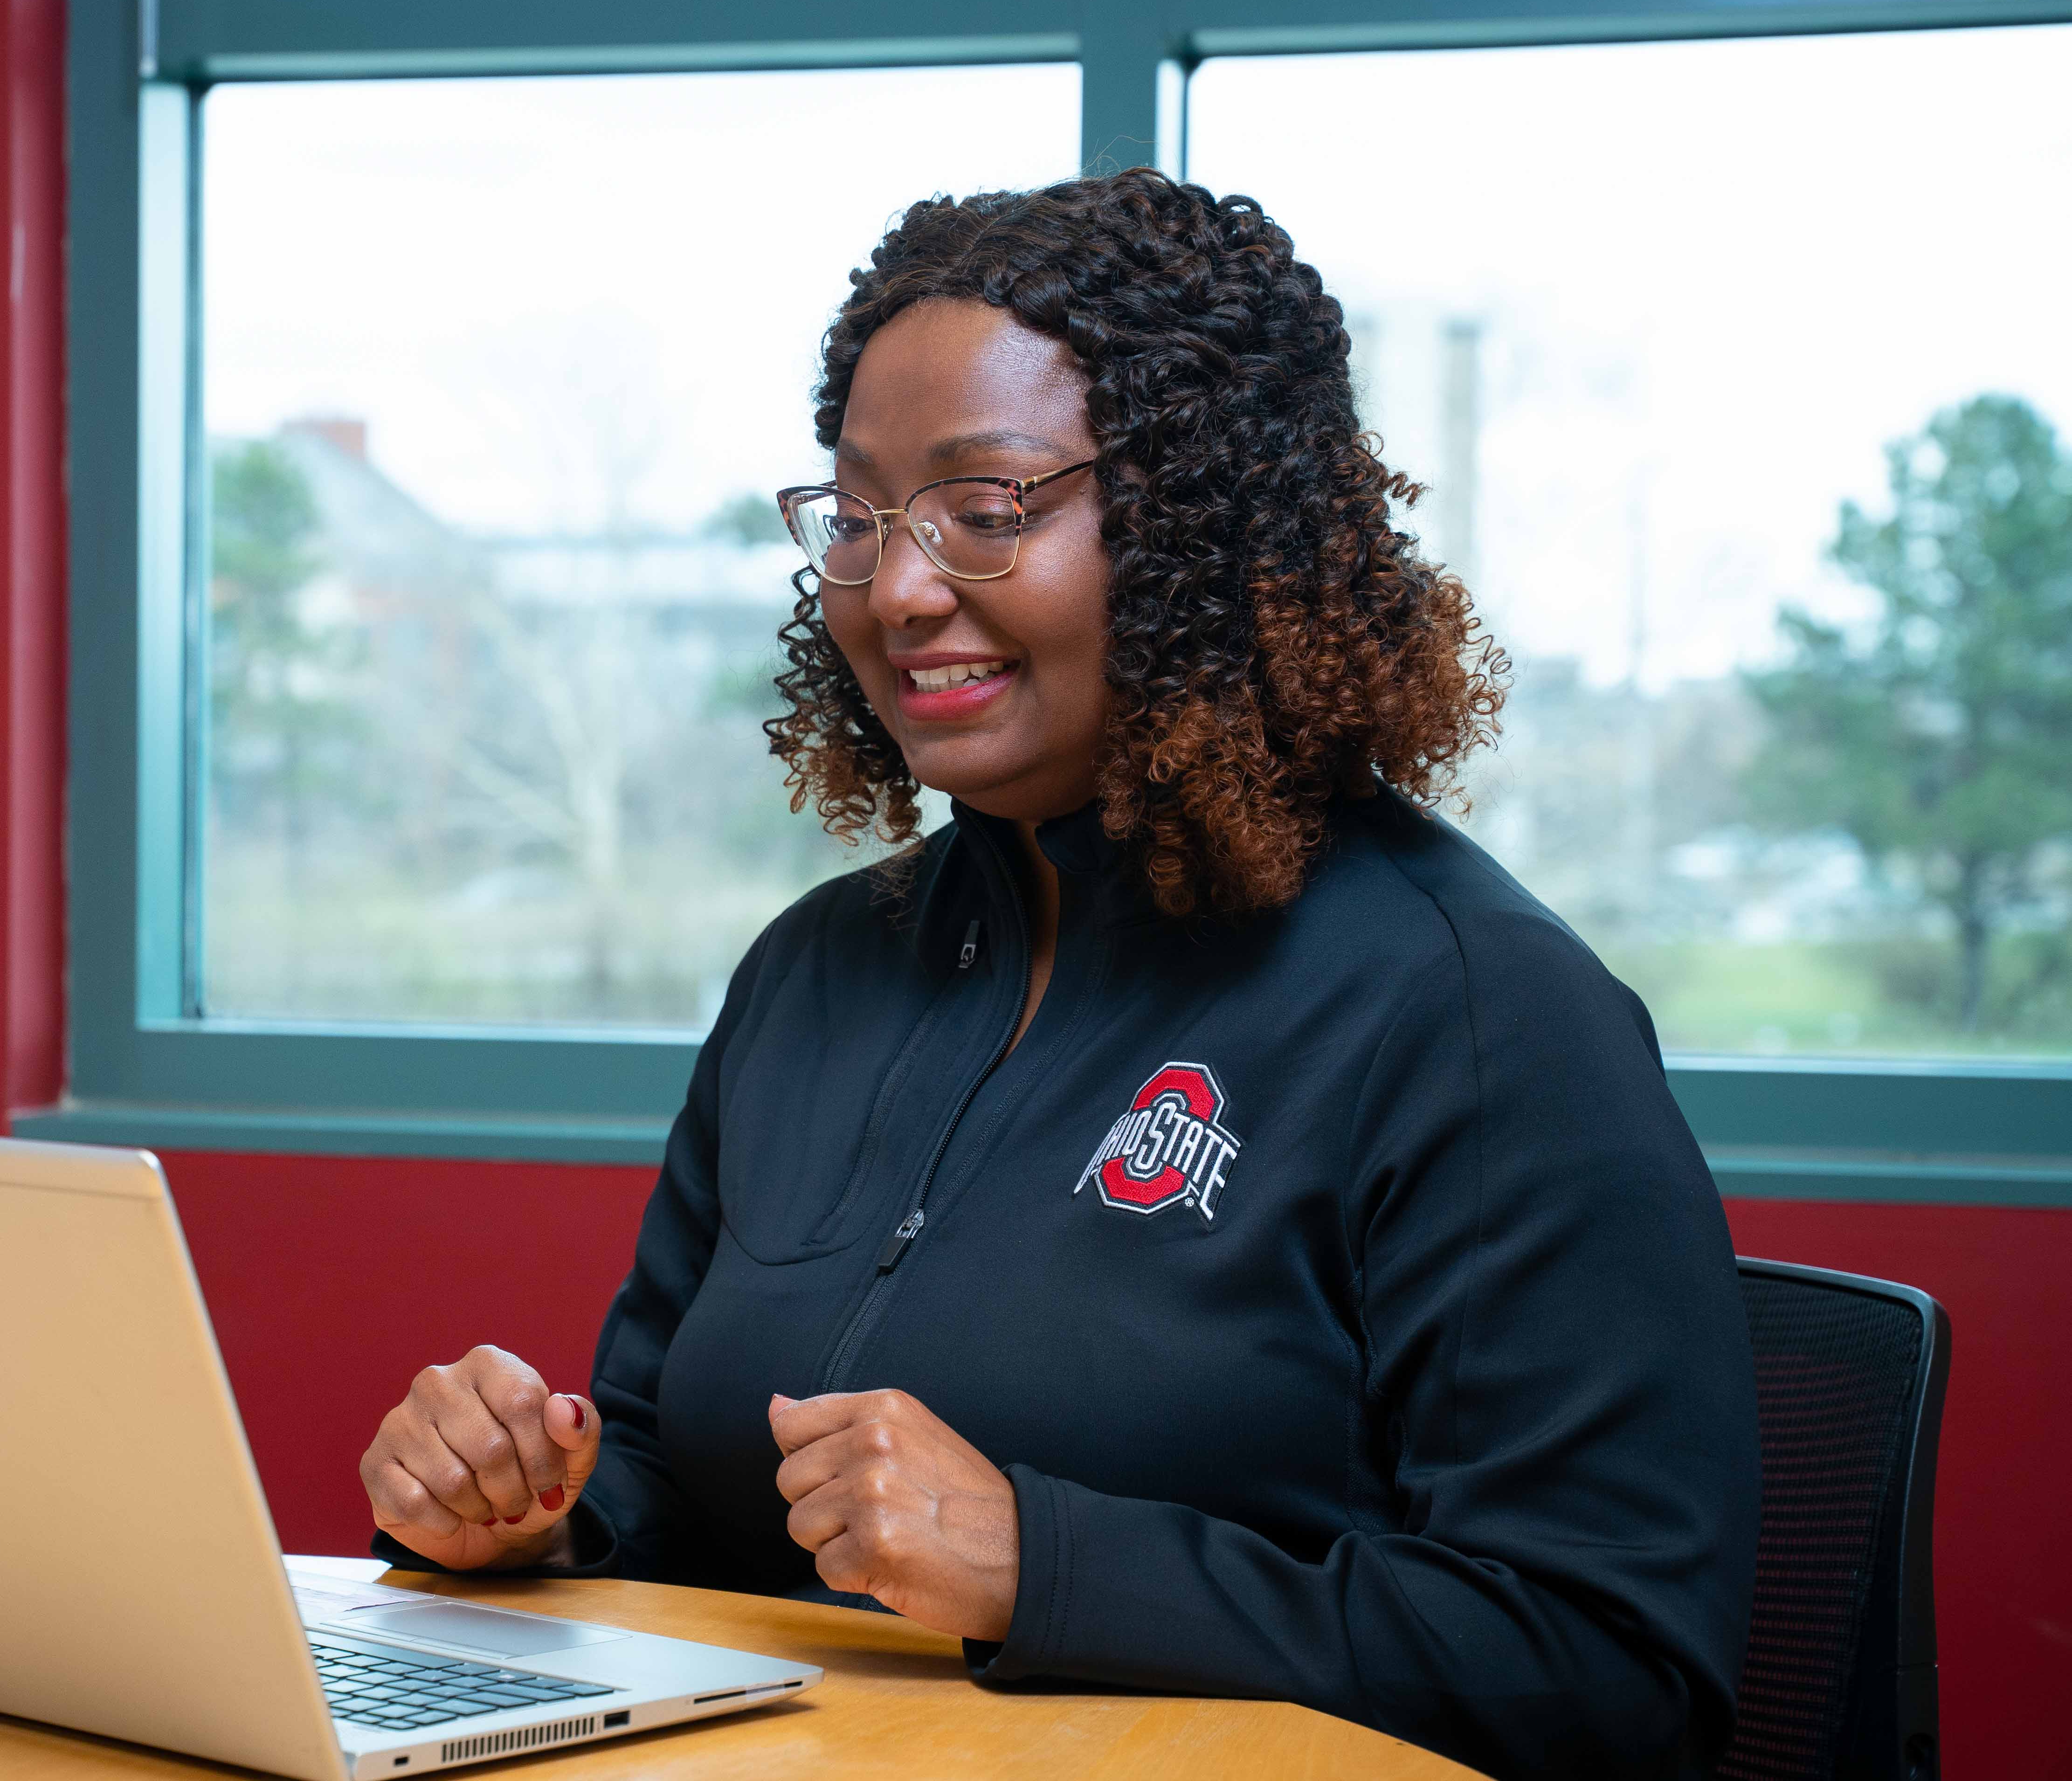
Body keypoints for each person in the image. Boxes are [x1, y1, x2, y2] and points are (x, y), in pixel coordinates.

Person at [356, 169, 1759, 1781]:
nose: (897, 589)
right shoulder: (814, 973)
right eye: (863, 515)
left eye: (987, 508)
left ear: (1202, 527)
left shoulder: (1477, 1014)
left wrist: (1049, 1565)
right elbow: (672, 1453)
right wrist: (536, 1508)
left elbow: (1611, 1669)